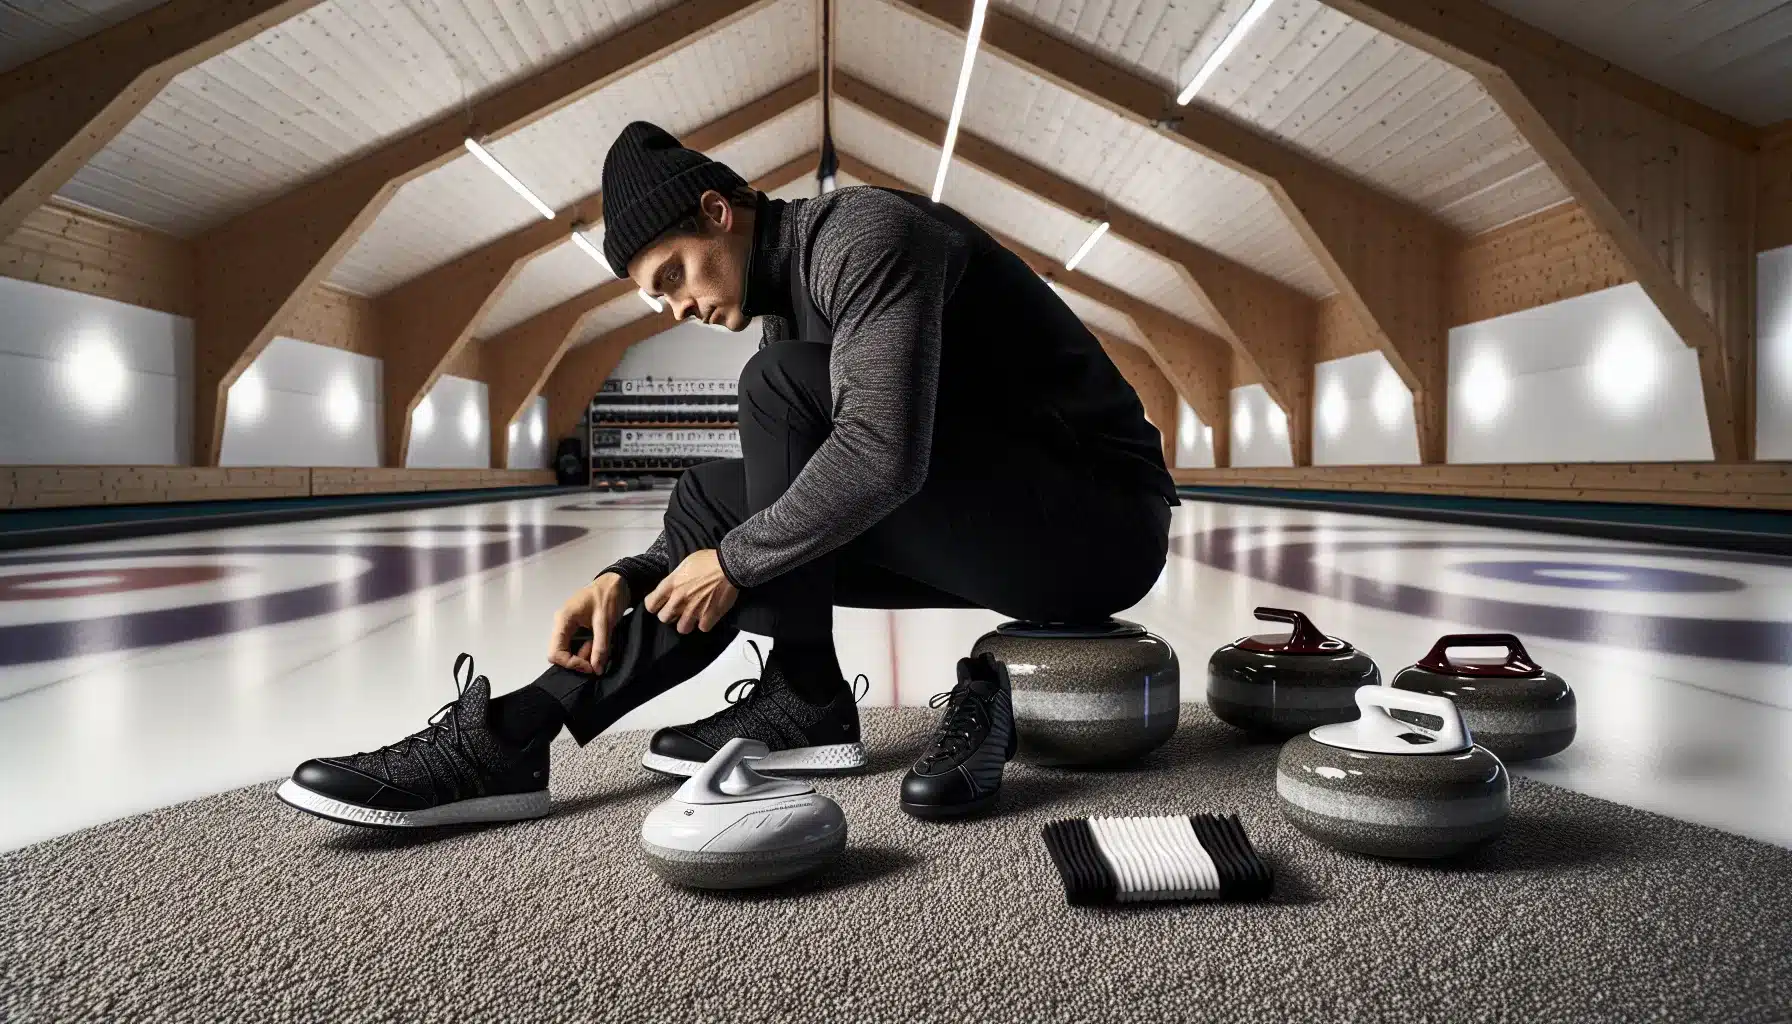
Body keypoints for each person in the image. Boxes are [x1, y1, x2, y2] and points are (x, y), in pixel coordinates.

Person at [274, 122, 1177, 830]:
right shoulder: (792, 309)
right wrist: (625, 577)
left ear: (718, 212)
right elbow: (763, 501)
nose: (683, 308)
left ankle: (806, 698)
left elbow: (881, 453)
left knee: (773, 398)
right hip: (1010, 520)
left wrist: (738, 563)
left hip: (1099, 525)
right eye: (659, 298)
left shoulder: (869, 237)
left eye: (674, 276)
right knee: (711, 493)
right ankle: (519, 732)